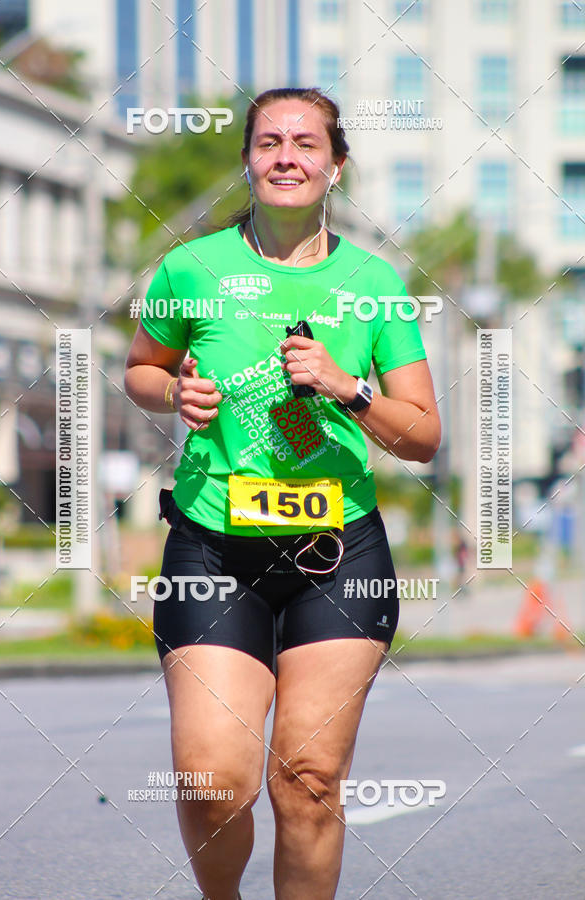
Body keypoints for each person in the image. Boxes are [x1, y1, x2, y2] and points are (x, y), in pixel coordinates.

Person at [124, 87, 441, 900]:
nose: (287, 157)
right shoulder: (190, 268)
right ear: (247, 161)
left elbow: (424, 436)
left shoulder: (373, 282)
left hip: (338, 557)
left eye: (307, 144)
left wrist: (349, 389)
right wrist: (173, 396)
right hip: (212, 548)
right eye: (269, 142)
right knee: (211, 782)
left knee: (306, 780)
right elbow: (141, 370)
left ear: (337, 166)